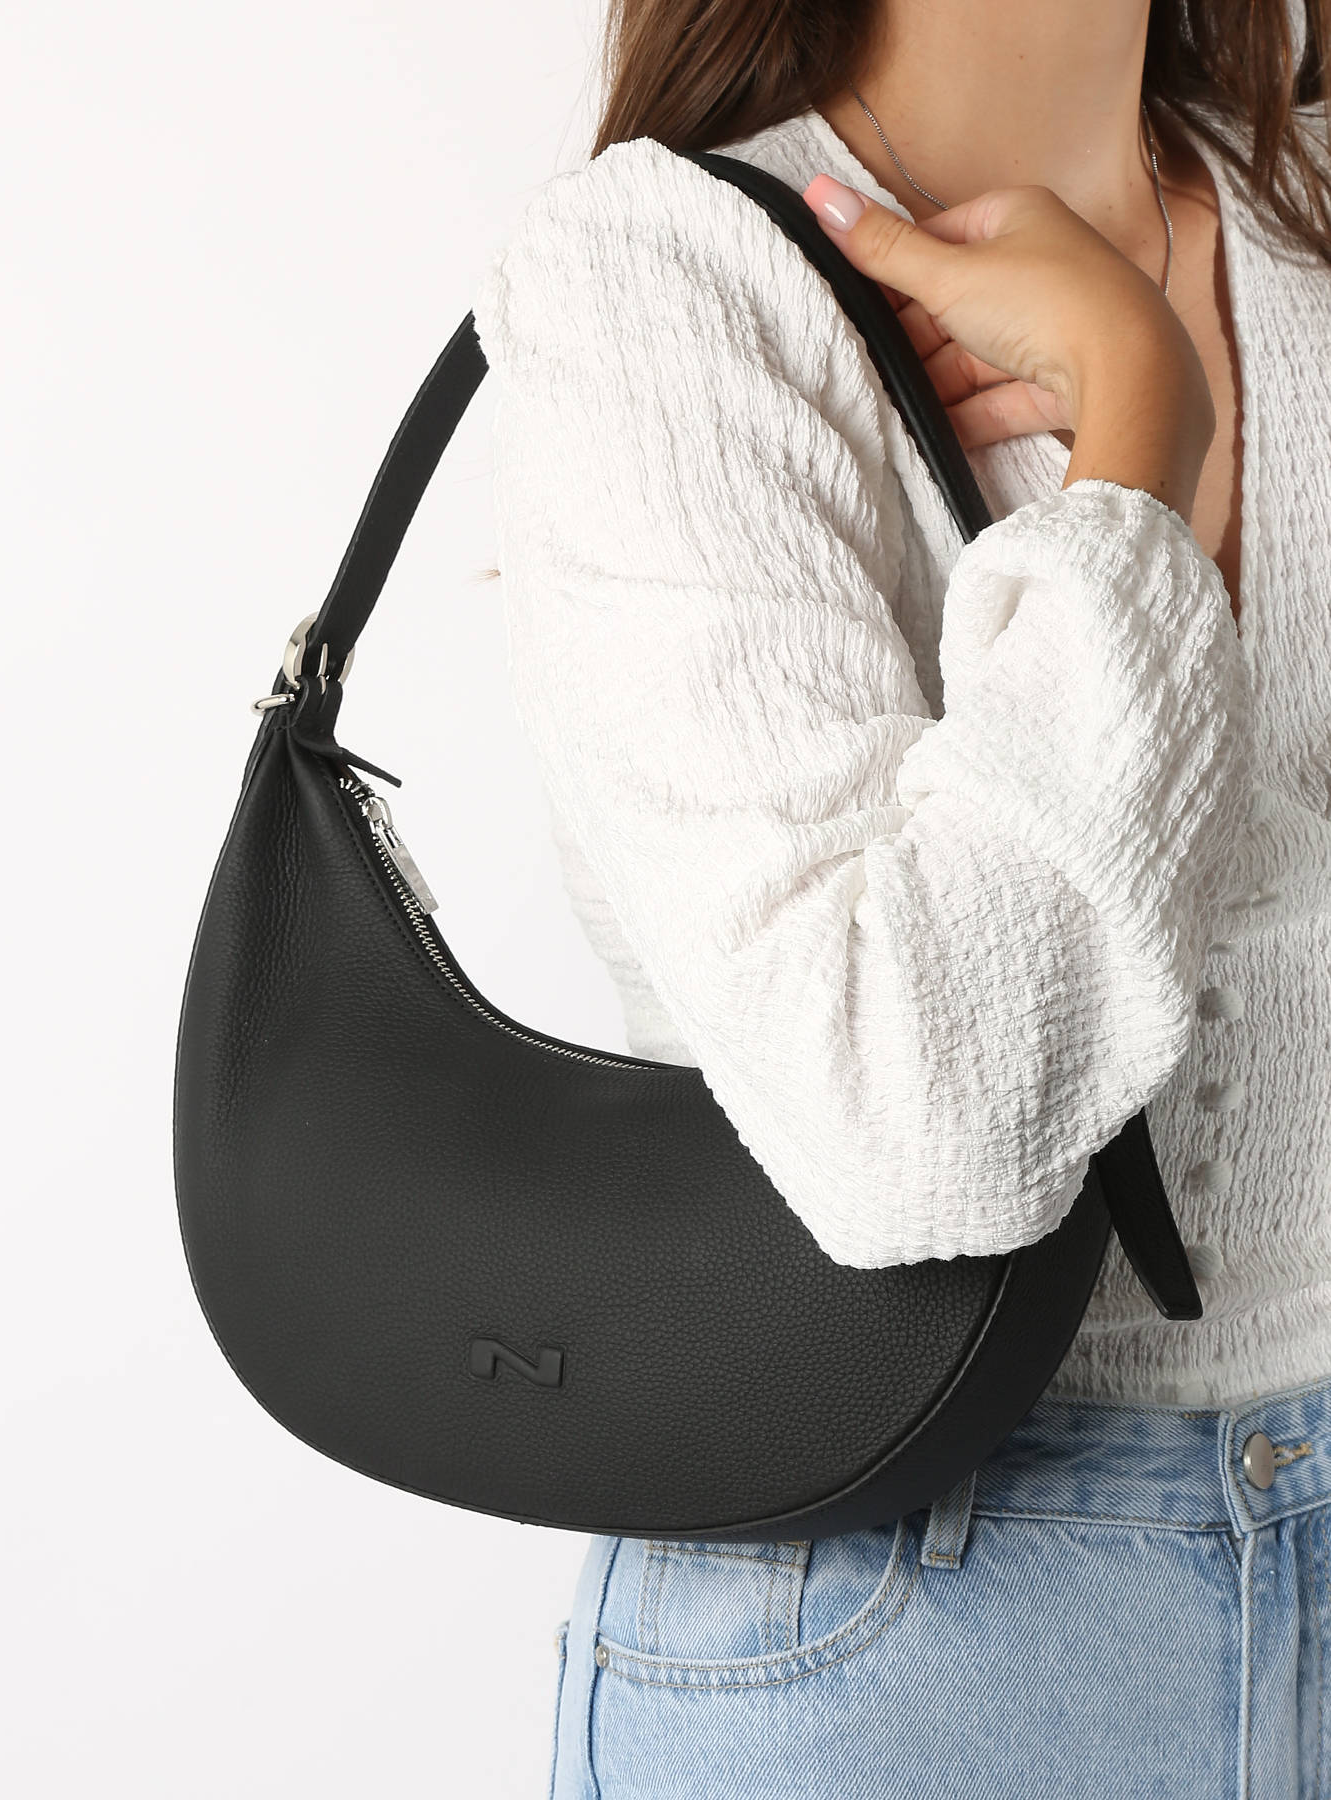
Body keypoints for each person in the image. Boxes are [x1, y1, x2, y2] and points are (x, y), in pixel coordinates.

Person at [471, 0, 1331, 1791]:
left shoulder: (1300, 217)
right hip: (907, 1628)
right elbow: (914, 1122)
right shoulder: (669, 278)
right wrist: (1135, 430)